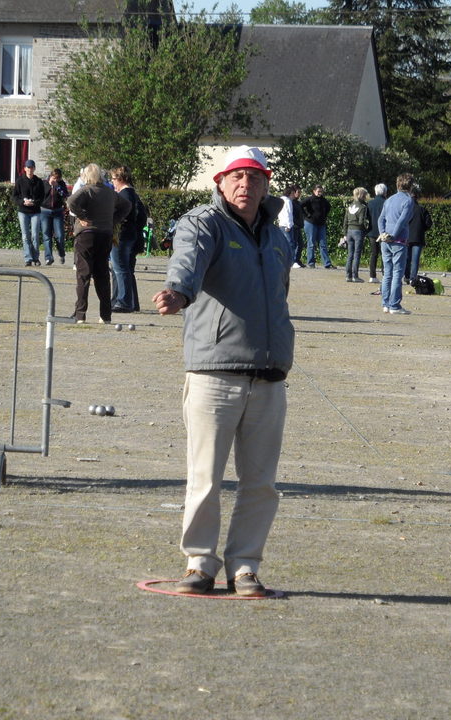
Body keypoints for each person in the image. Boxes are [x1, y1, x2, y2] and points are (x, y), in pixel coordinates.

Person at [152, 145, 294, 597]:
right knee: (206, 477)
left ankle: (245, 567)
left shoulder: (278, 238)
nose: (245, 184)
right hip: (215, 371)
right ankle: (199, 564)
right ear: (220, 182)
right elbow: (187, 262)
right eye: (236, 176)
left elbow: (279, 294)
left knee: (261, 483)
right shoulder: (203, 223)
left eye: (254, 177)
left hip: (268, 374)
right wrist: (178, 292)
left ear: (266, 185)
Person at [66, 163, 131, 324]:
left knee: (83, 275)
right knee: (102, 275)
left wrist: (81, 216)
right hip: (105, 235)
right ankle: (105, 315)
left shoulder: (86, 190)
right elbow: (127, 206)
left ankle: (80, 314)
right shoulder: (110, 192)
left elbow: (71, 201)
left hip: (86, 235)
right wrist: (114, 220)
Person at [377, 173, 416, 315]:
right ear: (410, 186)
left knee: (387, 273)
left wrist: (383, 234)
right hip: (398, 241)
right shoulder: (408, 201)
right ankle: (394, 305)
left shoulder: (389, 200)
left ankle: (385, 304)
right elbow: (402, 221)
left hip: (384, 241)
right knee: (397, 273)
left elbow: (381, 219)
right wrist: (392, 236)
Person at [109, 165, 146, 313]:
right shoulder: (132, 194)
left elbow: (122, 216)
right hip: (130, 235)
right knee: (125, 269)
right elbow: (142, 216)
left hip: (122, 235)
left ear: (120, 178)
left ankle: (124, 301)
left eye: (113, 179)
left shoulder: (125, 195)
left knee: (120, 268)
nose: (112, 182)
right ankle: (131, 302)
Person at [12, 159, 45, 267]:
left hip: (35, 211)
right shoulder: (20, 181)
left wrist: (34, 202)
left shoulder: (39, 181)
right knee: (25, 235)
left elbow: (42, 197)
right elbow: (14, 197)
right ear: (25, 169)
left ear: (34, 169)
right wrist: (23, 202)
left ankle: (36, 258)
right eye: (28, 167)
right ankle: (28, 258)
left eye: (32, 167)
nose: (30, 169)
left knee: (35, 235)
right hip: (23, 211)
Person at [40, 168, 70, 265]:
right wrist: (50, 186)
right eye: (54, 178)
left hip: (57, 211)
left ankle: (61, 254)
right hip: (45, 211)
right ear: (50, 176)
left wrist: (57, 187)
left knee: (60, 235)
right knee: (46, 235)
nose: (56, 180)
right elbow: (41, 196)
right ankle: (48, 257)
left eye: (58, 178)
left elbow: (65, 195)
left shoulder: (61, 184)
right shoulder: (44, 183)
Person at [404, 188, 432, 284]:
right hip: (418, 237)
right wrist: (422, 229)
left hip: (407, 237)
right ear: (417, 198)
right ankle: (413, 278)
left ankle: (406, 276)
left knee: (407, 259)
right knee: (415, 260)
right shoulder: (422, 209)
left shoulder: (406, 209)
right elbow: (429, 223)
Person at [301, 185, 333, 269]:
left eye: (321, 191)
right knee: (311, 243)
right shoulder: (310, 199)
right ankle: (311, 262)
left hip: (321, 224)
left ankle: (327, 263)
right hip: (311, 223)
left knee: (323, 244)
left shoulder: (324, 200)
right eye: (318, 191)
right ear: (314, 191)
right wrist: (306, 215)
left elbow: (328, 207)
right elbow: (300, 206)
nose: (320, 193)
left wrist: (324, 216)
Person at [342, 187, 370, 282]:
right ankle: (355, 276)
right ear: (362, 195)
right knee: (357, 254)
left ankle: (348, 275)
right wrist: (366, 230)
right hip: (358, 231)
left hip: (349, 231)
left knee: (350, 254)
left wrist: (345, 233)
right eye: (365, 195)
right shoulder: (362, 207)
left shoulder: (350, 206)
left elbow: (345, 221)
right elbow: (361, 222)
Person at [278, 185, 304, 268]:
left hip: (282, 224)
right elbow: (288, 214)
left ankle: (284, 260)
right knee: (291, 244)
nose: (294, 195)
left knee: (285, 243)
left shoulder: (281, 200)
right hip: (287, 225)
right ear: (290, 193)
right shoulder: (288, 201)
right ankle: (291, 262)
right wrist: (289, 225)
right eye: (293, 193)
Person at [366, 183, 387, 283]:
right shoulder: (386, 203)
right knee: (384, 254)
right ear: (385, 192)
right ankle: (385, 274)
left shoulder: (369, 203)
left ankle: (372, 276)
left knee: (374, 253)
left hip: (372, 231)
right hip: (383, 231)